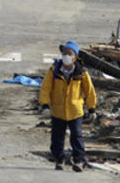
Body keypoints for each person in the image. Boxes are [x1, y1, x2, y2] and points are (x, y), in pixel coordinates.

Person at [39, 41, 97, 172]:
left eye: (69, 54)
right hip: (58, 110)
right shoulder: (54, 71)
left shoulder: (81, 72)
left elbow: (89, 91)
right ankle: (59, 159)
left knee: (76, 137)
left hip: (75, 111)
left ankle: (79, 160)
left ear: (75, 56)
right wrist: (44, 105)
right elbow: (45, 88)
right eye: (64, 53)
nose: (66, 56)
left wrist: (91, 108)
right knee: (57, 138)